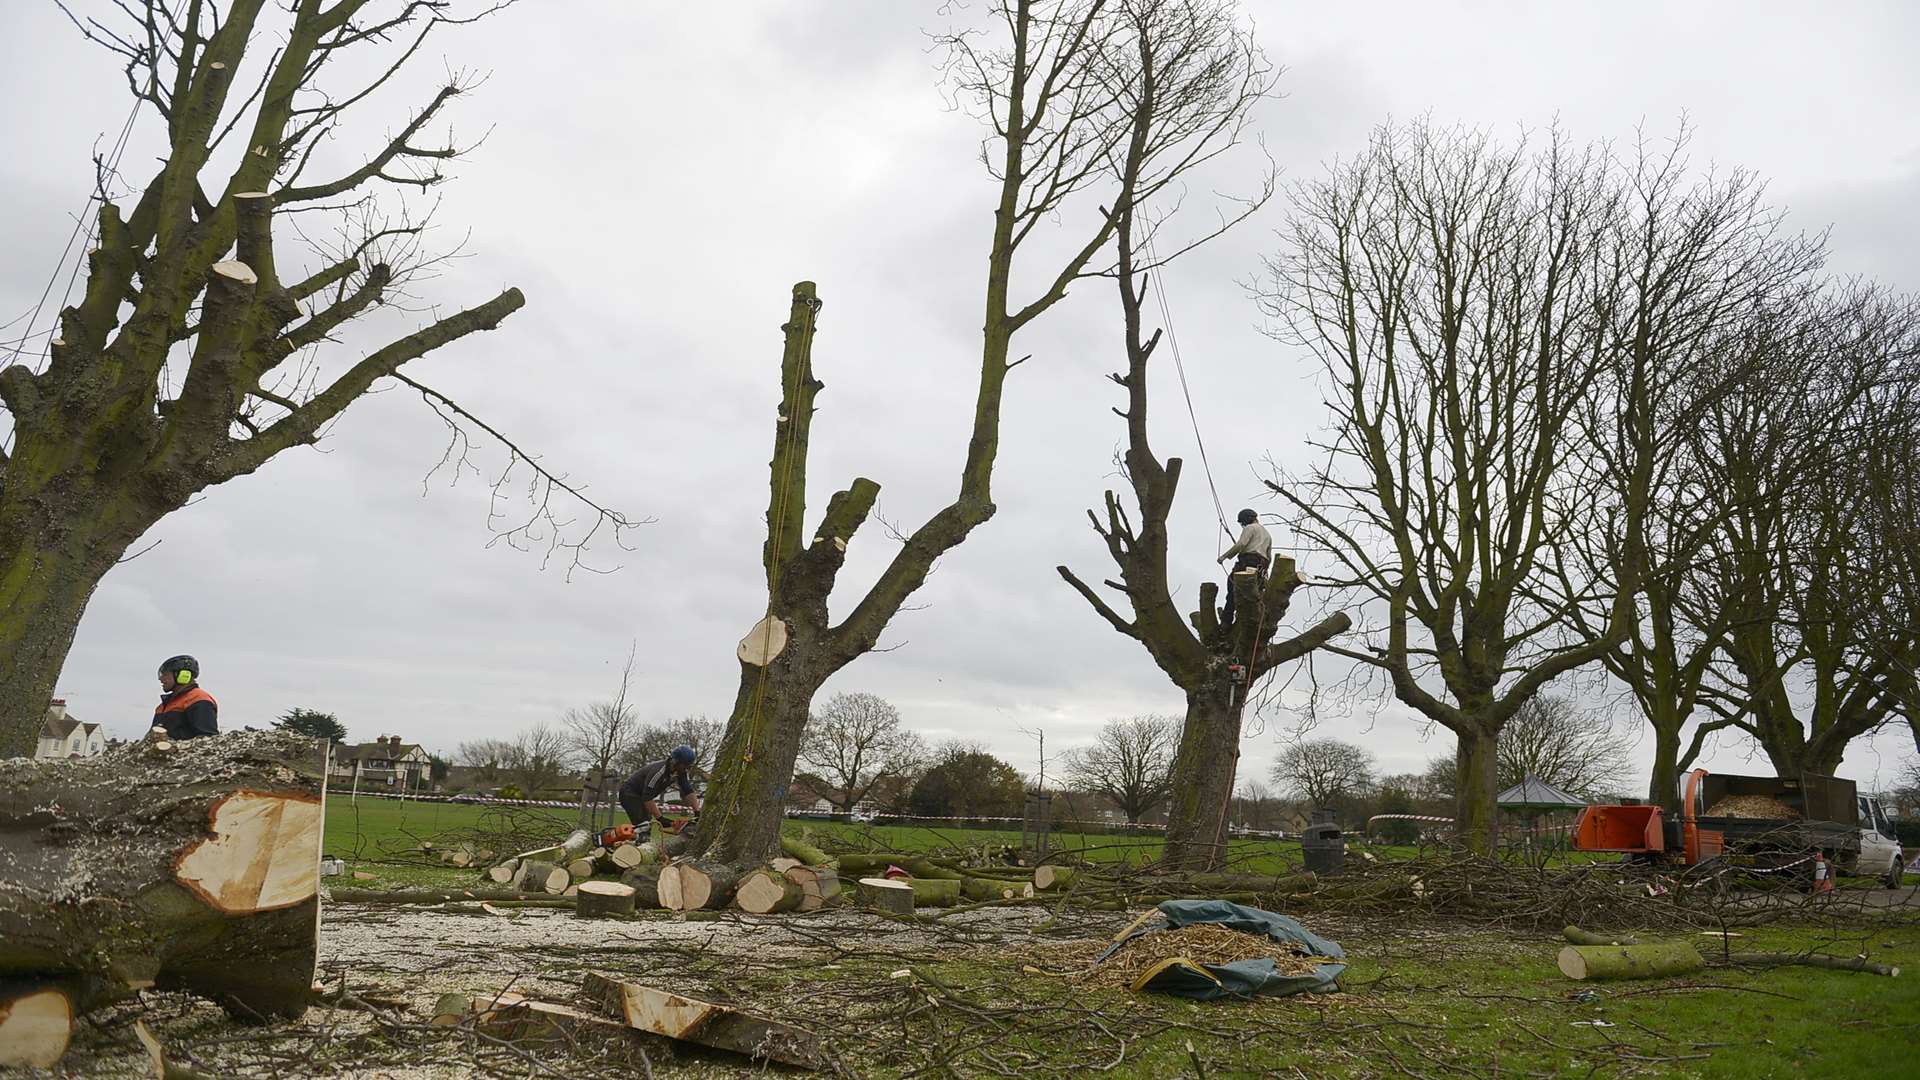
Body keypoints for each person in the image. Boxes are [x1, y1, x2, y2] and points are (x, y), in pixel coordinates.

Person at [618, 745, 703, 840]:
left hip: (641, 795)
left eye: (689, 766)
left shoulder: (680, 772)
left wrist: (697, 811)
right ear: (676, 762)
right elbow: (647, 798)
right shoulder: (659, 772)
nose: (687, 768)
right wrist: (660, 819)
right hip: (629, 793)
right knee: (643, 824)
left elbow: (688, 791)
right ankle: (637, 845)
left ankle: (641, 844)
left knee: (646, 822)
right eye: (685, 765)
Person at [1216, 508, 1272, 627]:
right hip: (1261, 567)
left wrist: (1224, 557)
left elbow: (1241, 544)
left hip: (1247, 562)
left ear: (1246, 520)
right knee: (1252, 595)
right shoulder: (1267, 534)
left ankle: (1226, 622)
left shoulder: (1250, 528)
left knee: (1232, 590)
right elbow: (1269, 557)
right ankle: (1249, 620)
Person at [153, 654, 218, 740]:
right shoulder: (162, 706)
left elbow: (207, 739)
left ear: (183, 675)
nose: (161, 679)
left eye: (165, 674)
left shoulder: (198, 699)